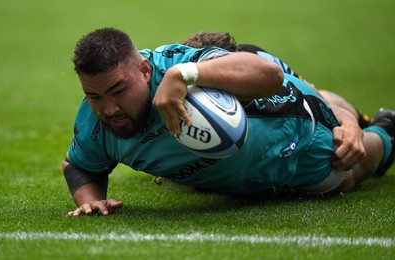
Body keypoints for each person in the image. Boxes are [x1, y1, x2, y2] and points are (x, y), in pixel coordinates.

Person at [63, 27, 395, 217]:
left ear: (145, 71)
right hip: (236, 181)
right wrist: (90, 198)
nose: (108, 109)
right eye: (94, 96)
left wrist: (185, 74)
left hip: (295, 142)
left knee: (353, 164)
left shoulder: (186, 65)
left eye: (117, 91)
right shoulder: (94, 124)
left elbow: (272, 77)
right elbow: (80, 166)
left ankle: (386, 128)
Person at [182, 31, 375, 173]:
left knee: (342, 151)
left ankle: (377, 125)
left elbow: (316, 97)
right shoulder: (183, 81)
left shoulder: (257, 62)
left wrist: (349, 122)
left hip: (306, 120)